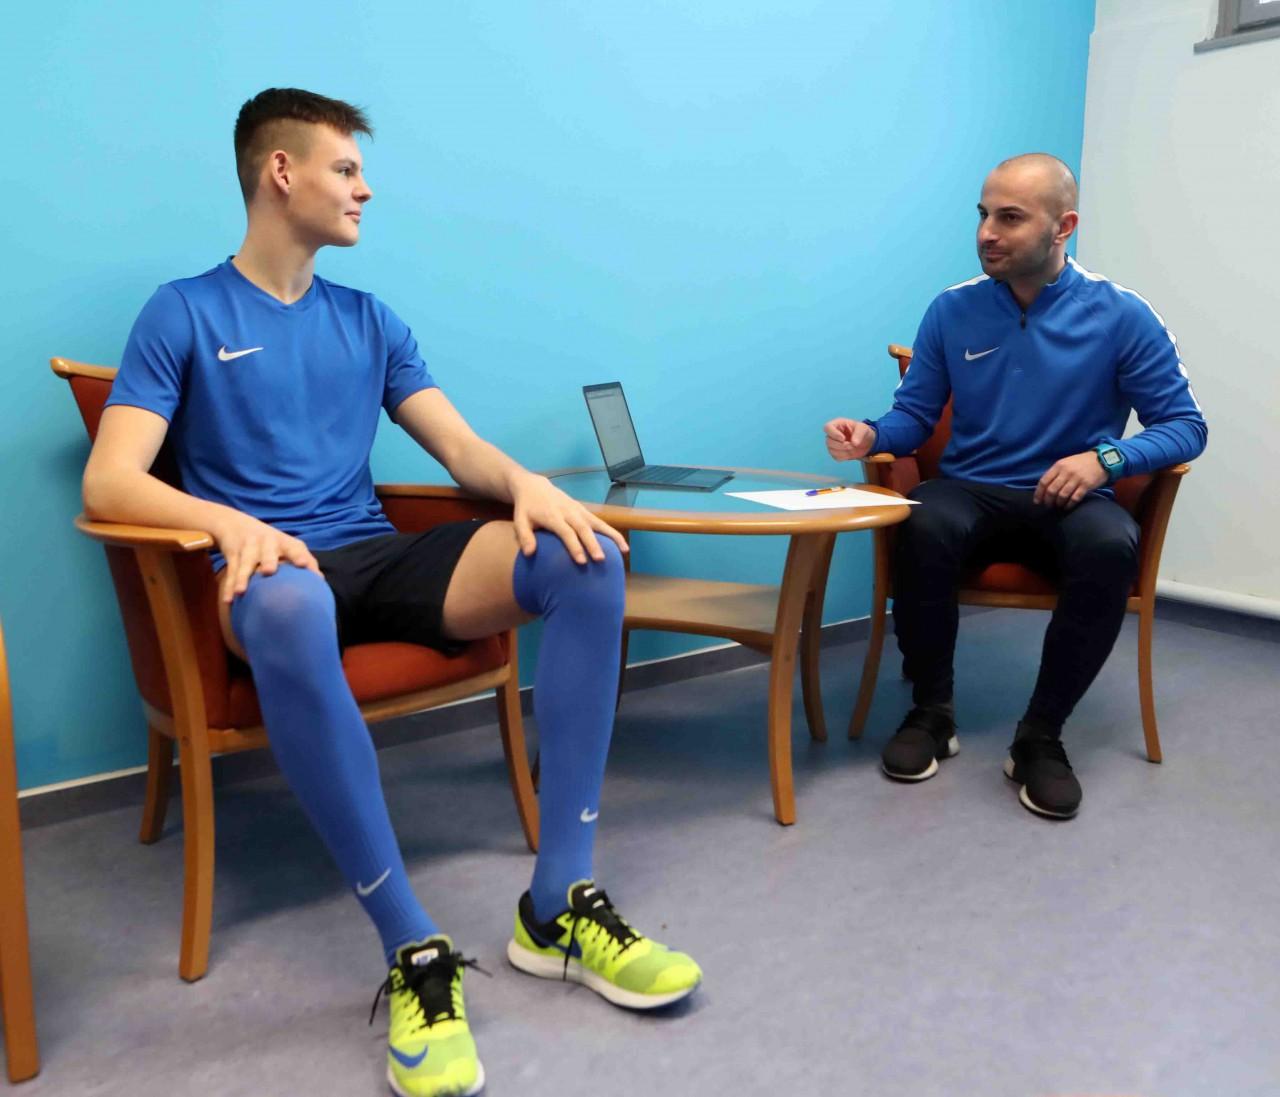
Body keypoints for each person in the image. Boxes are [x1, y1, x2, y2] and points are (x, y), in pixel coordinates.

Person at [82, 88, 701, 1097]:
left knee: (587, 558)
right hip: (268, 575)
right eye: (346, 169)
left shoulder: (368, 319)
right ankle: (412, 943)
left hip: (373, 554)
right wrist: (230, 524)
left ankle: (557, 903)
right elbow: (110, 480)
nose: (364, 189)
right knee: (293, 599)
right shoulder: (183, 311)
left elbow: (456, 446)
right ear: (281, 172)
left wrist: (529, 487)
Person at [823, 153, 1206, 821]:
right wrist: (872, 434)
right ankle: (931, 712)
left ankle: (1040, 736)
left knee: (1110, 544)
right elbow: (915, 415)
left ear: (1064, 227)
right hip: (971, 488)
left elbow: (1185, 426)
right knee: (919, 518)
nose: (986, 233)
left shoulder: (1122, 315)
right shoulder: (952, 310)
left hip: (1071, 499)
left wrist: (1106, 460)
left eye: (1009, 217)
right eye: (983, 215)